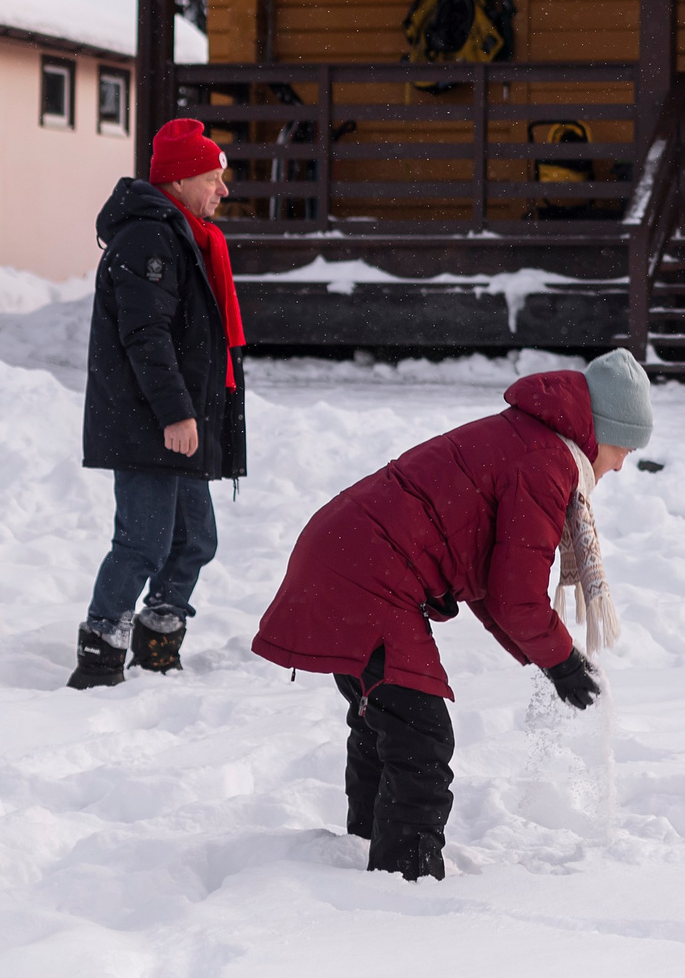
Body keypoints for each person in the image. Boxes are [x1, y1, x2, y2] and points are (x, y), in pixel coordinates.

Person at [251, 350, 654, 880]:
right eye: (624, 448)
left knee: (387, 723)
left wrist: (550, 659)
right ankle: (404, 882)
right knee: (421, 739)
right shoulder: (546, 463)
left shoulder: (529, 439)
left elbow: (490, 580)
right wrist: (561, 660)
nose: (621, 465)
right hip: (368, 575)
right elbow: (516, 596)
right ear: (601, 432)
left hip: (346, 555)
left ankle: (363, 853)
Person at [68, 118, 248, 690]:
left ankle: (157, 642)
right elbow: (146, 335)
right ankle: (100, 653)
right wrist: (176, 412)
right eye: (213, 178)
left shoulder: (182, 235)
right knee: (143, 543)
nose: (223, 190)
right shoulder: (148, 239)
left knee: (194, 541)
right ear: (180, 180)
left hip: (175, 417)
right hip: (149, 420)